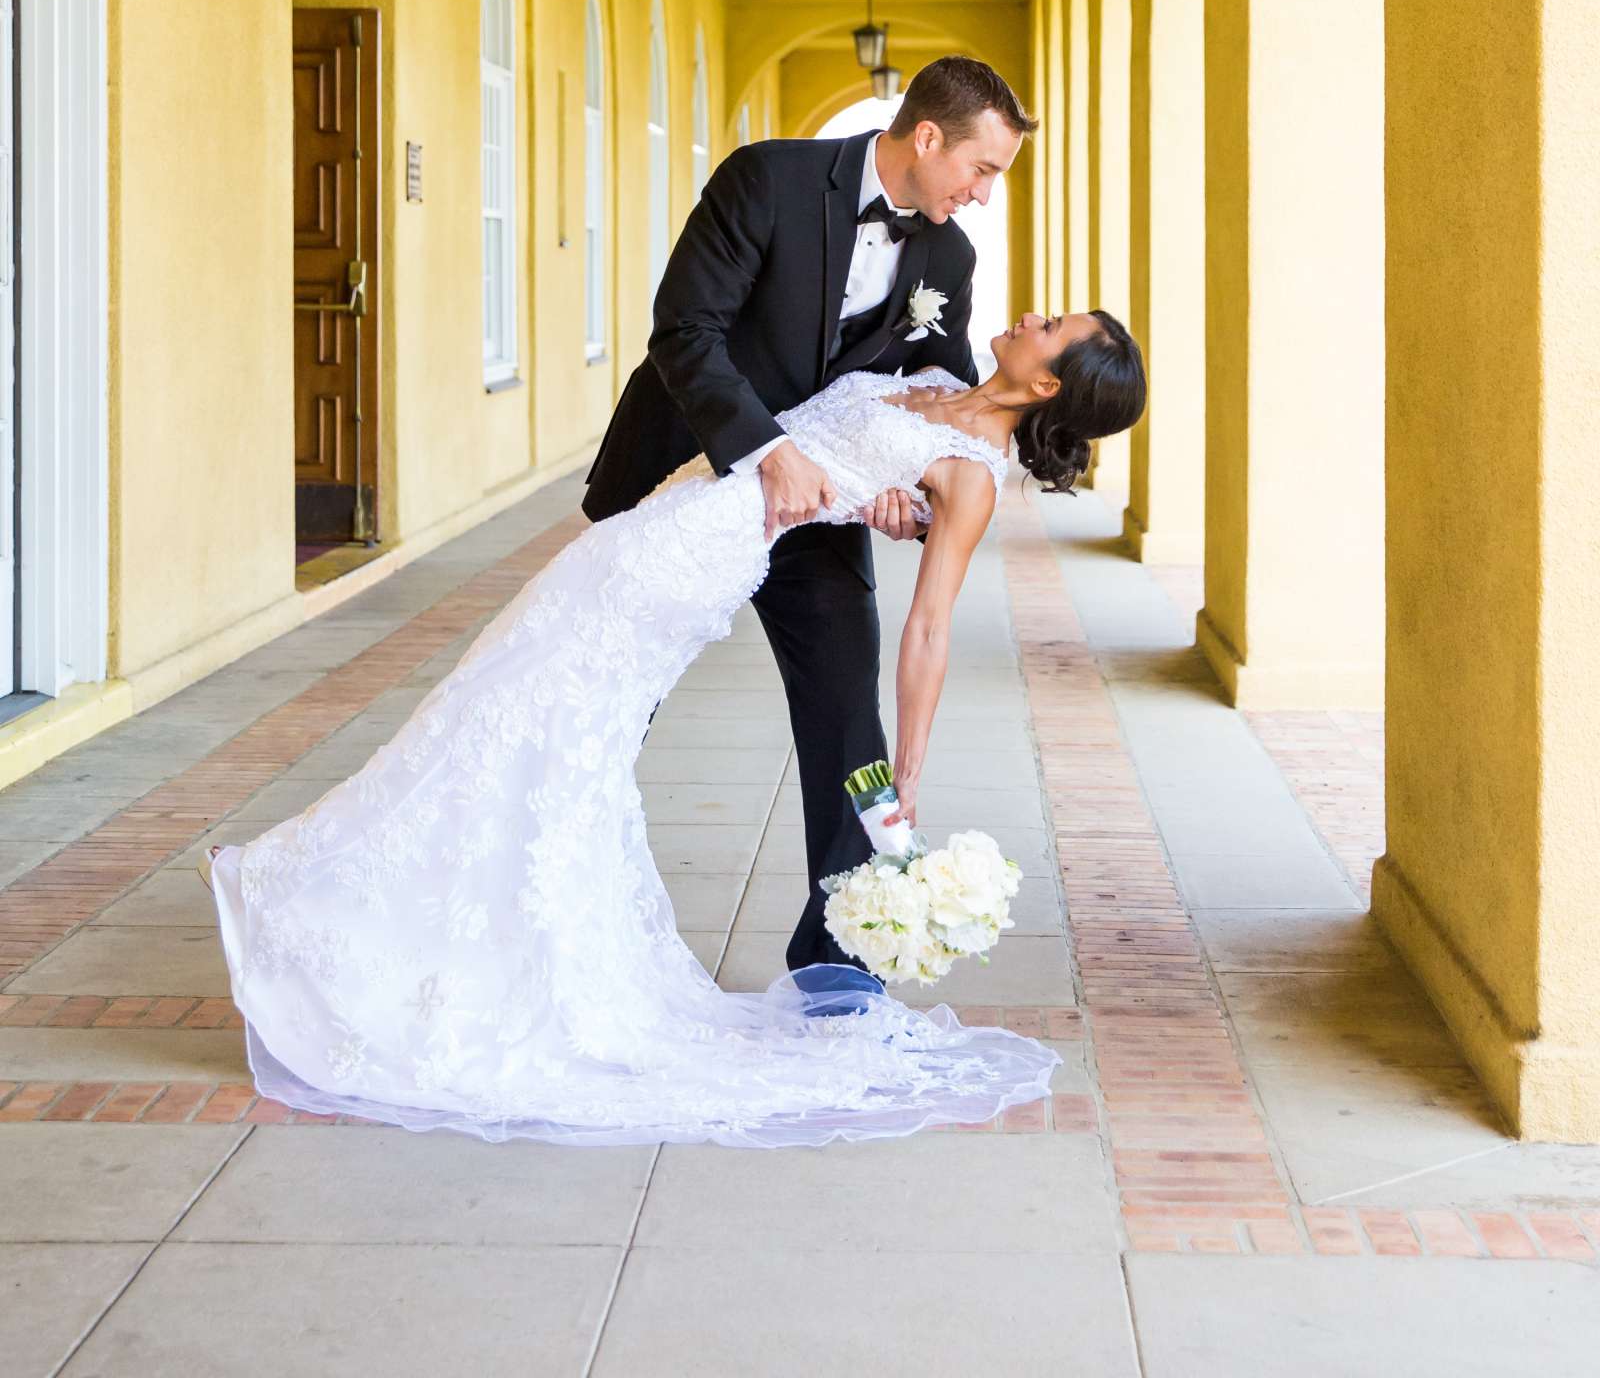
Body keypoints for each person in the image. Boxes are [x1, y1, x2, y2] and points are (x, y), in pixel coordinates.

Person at [207, 309, 1146, 1145]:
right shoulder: (933, 382)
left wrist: (910, 767)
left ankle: (410, 931)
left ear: (1050, 382)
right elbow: (818, 424)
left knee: (524, 717)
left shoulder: (969, 477)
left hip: (687, 566)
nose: (1032, 314)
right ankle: (443, 932)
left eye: (1052, 326)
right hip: (664, 516)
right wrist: (869, 493)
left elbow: (930, 624)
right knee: (515, 717)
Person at [585, 55, 1030, 969]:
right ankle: (556, 884)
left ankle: (843, 944)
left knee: (844, 704)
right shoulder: (767, 179)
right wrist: (767, 451)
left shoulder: (949, 253)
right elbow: (684, 331)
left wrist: (905, 483)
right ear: (930, 136)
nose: (985, 195)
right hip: (686, 479)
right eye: (982, 170)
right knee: (605, 694)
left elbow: (927, 384)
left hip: (817, 515)